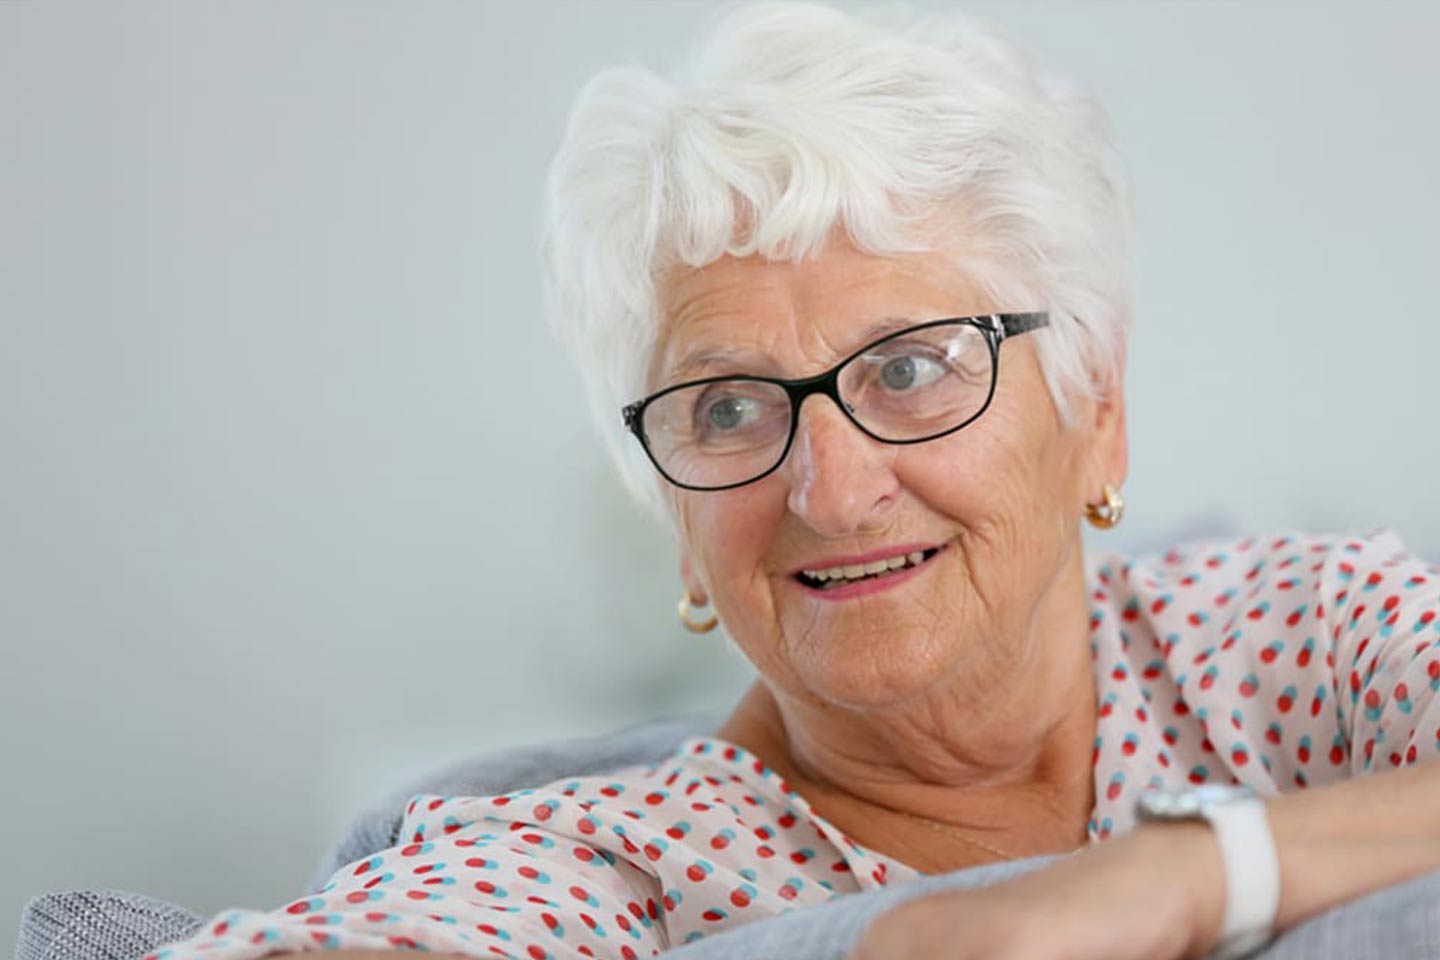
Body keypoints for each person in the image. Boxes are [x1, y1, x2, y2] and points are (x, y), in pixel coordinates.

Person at [143, 3, 1440, 959]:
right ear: (671, 507)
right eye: (726, 405)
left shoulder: (1297, 633)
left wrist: (1191, 879)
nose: (830, 487)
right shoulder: (612, 854)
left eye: (914, 369)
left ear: (1095, 407)